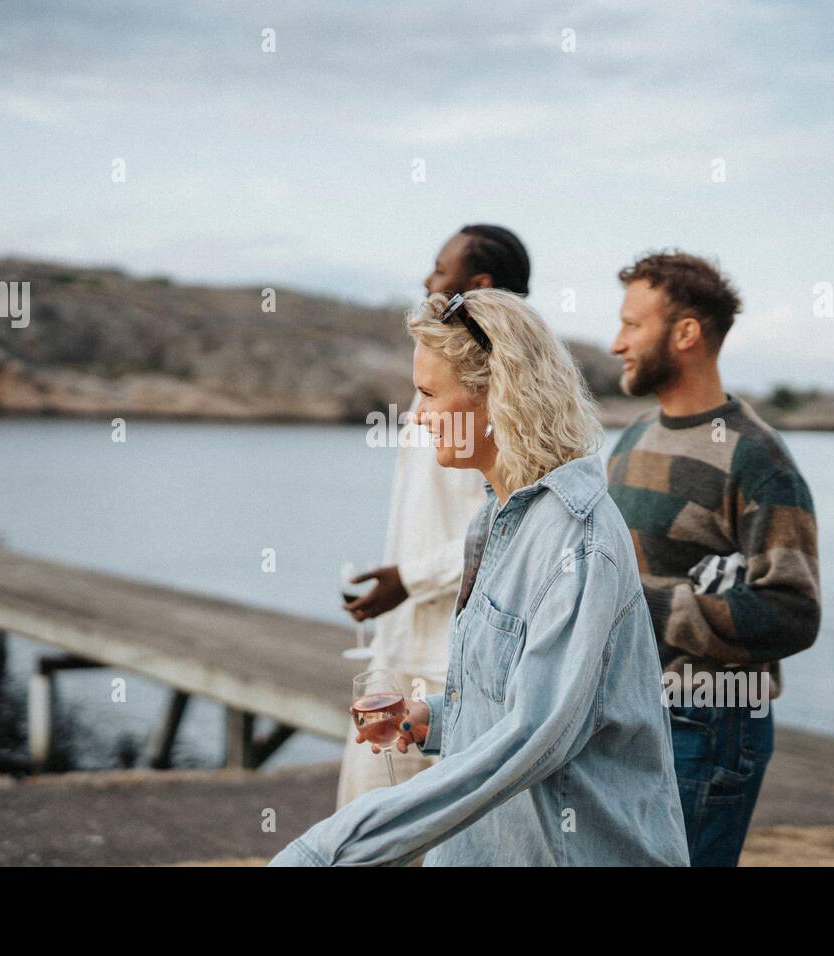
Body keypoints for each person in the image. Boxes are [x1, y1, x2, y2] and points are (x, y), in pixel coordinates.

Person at [269, 289, 689, 865]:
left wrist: (328, 851)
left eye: (428, 394)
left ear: (500, 398)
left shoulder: (577, 542)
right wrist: (433, 718)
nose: (415, 418)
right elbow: (523, 705)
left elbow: (531, 740)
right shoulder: (498, 517)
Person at [606, 250, 821, 866]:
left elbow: (791, 612)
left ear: (686, 333)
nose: (617, 342)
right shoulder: (632, 437)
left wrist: (640, 606)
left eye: (632, 324)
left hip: (711, 724)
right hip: (631, 712)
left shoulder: (758, 458)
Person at [335, 225, 532, 812]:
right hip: (400, 645)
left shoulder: (505, 398)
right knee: (363, 822)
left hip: (452, 661)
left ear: (480, 285)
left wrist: (411, 579)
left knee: (430, 828)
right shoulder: (441, 376)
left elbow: (508, 526)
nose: (427, 279)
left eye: (439, 268)